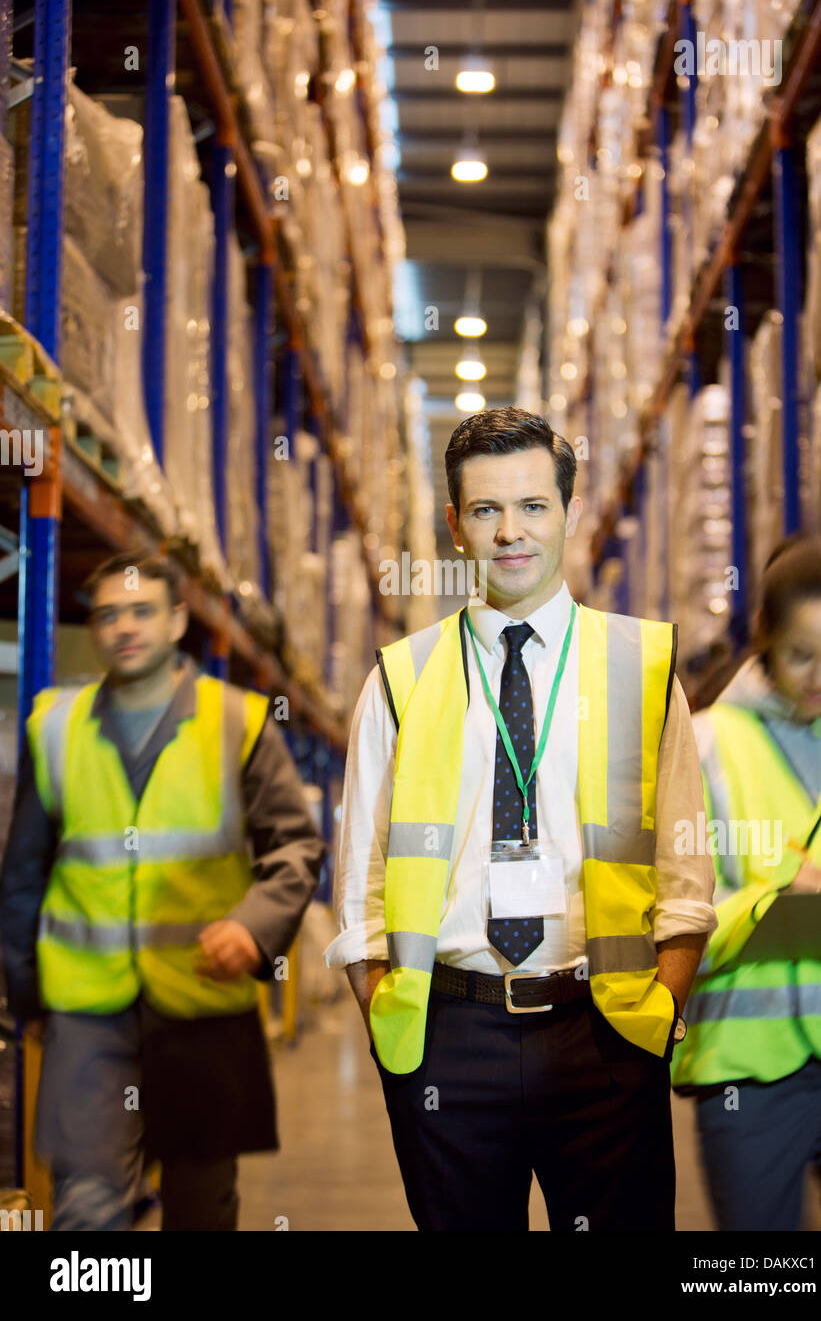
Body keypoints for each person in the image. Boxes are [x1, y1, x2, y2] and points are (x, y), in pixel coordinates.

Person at [326, 407, 717, 1232]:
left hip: (605, 1027)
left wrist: (659, 1021)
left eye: (534, 507)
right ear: (455, 525)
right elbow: (359, 887)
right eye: (486, 510)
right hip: (449, 1037)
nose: (512, 532)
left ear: (570, 512)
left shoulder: (642, 666)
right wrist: (394, 1030)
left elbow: (687, 877)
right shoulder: (401, 678)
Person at [0, 551, 327, 1231]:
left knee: (201, 1207)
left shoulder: (236, 721)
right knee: (87, 1209)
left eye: (142, 611)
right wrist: (28, 994)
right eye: (109, 615)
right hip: (88, 1011)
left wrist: (254, 925)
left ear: (178, 619)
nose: (125, 628)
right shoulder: (54, 728)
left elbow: (294, 845)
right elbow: (24, 873)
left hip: (201, 1005)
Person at [672, 535, 821, 1232]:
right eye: (800, 655)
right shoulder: (704, 745)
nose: (820, 678)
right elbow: (672, 912)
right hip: (745, 1070)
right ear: (763, 639)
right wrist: (769, 902)